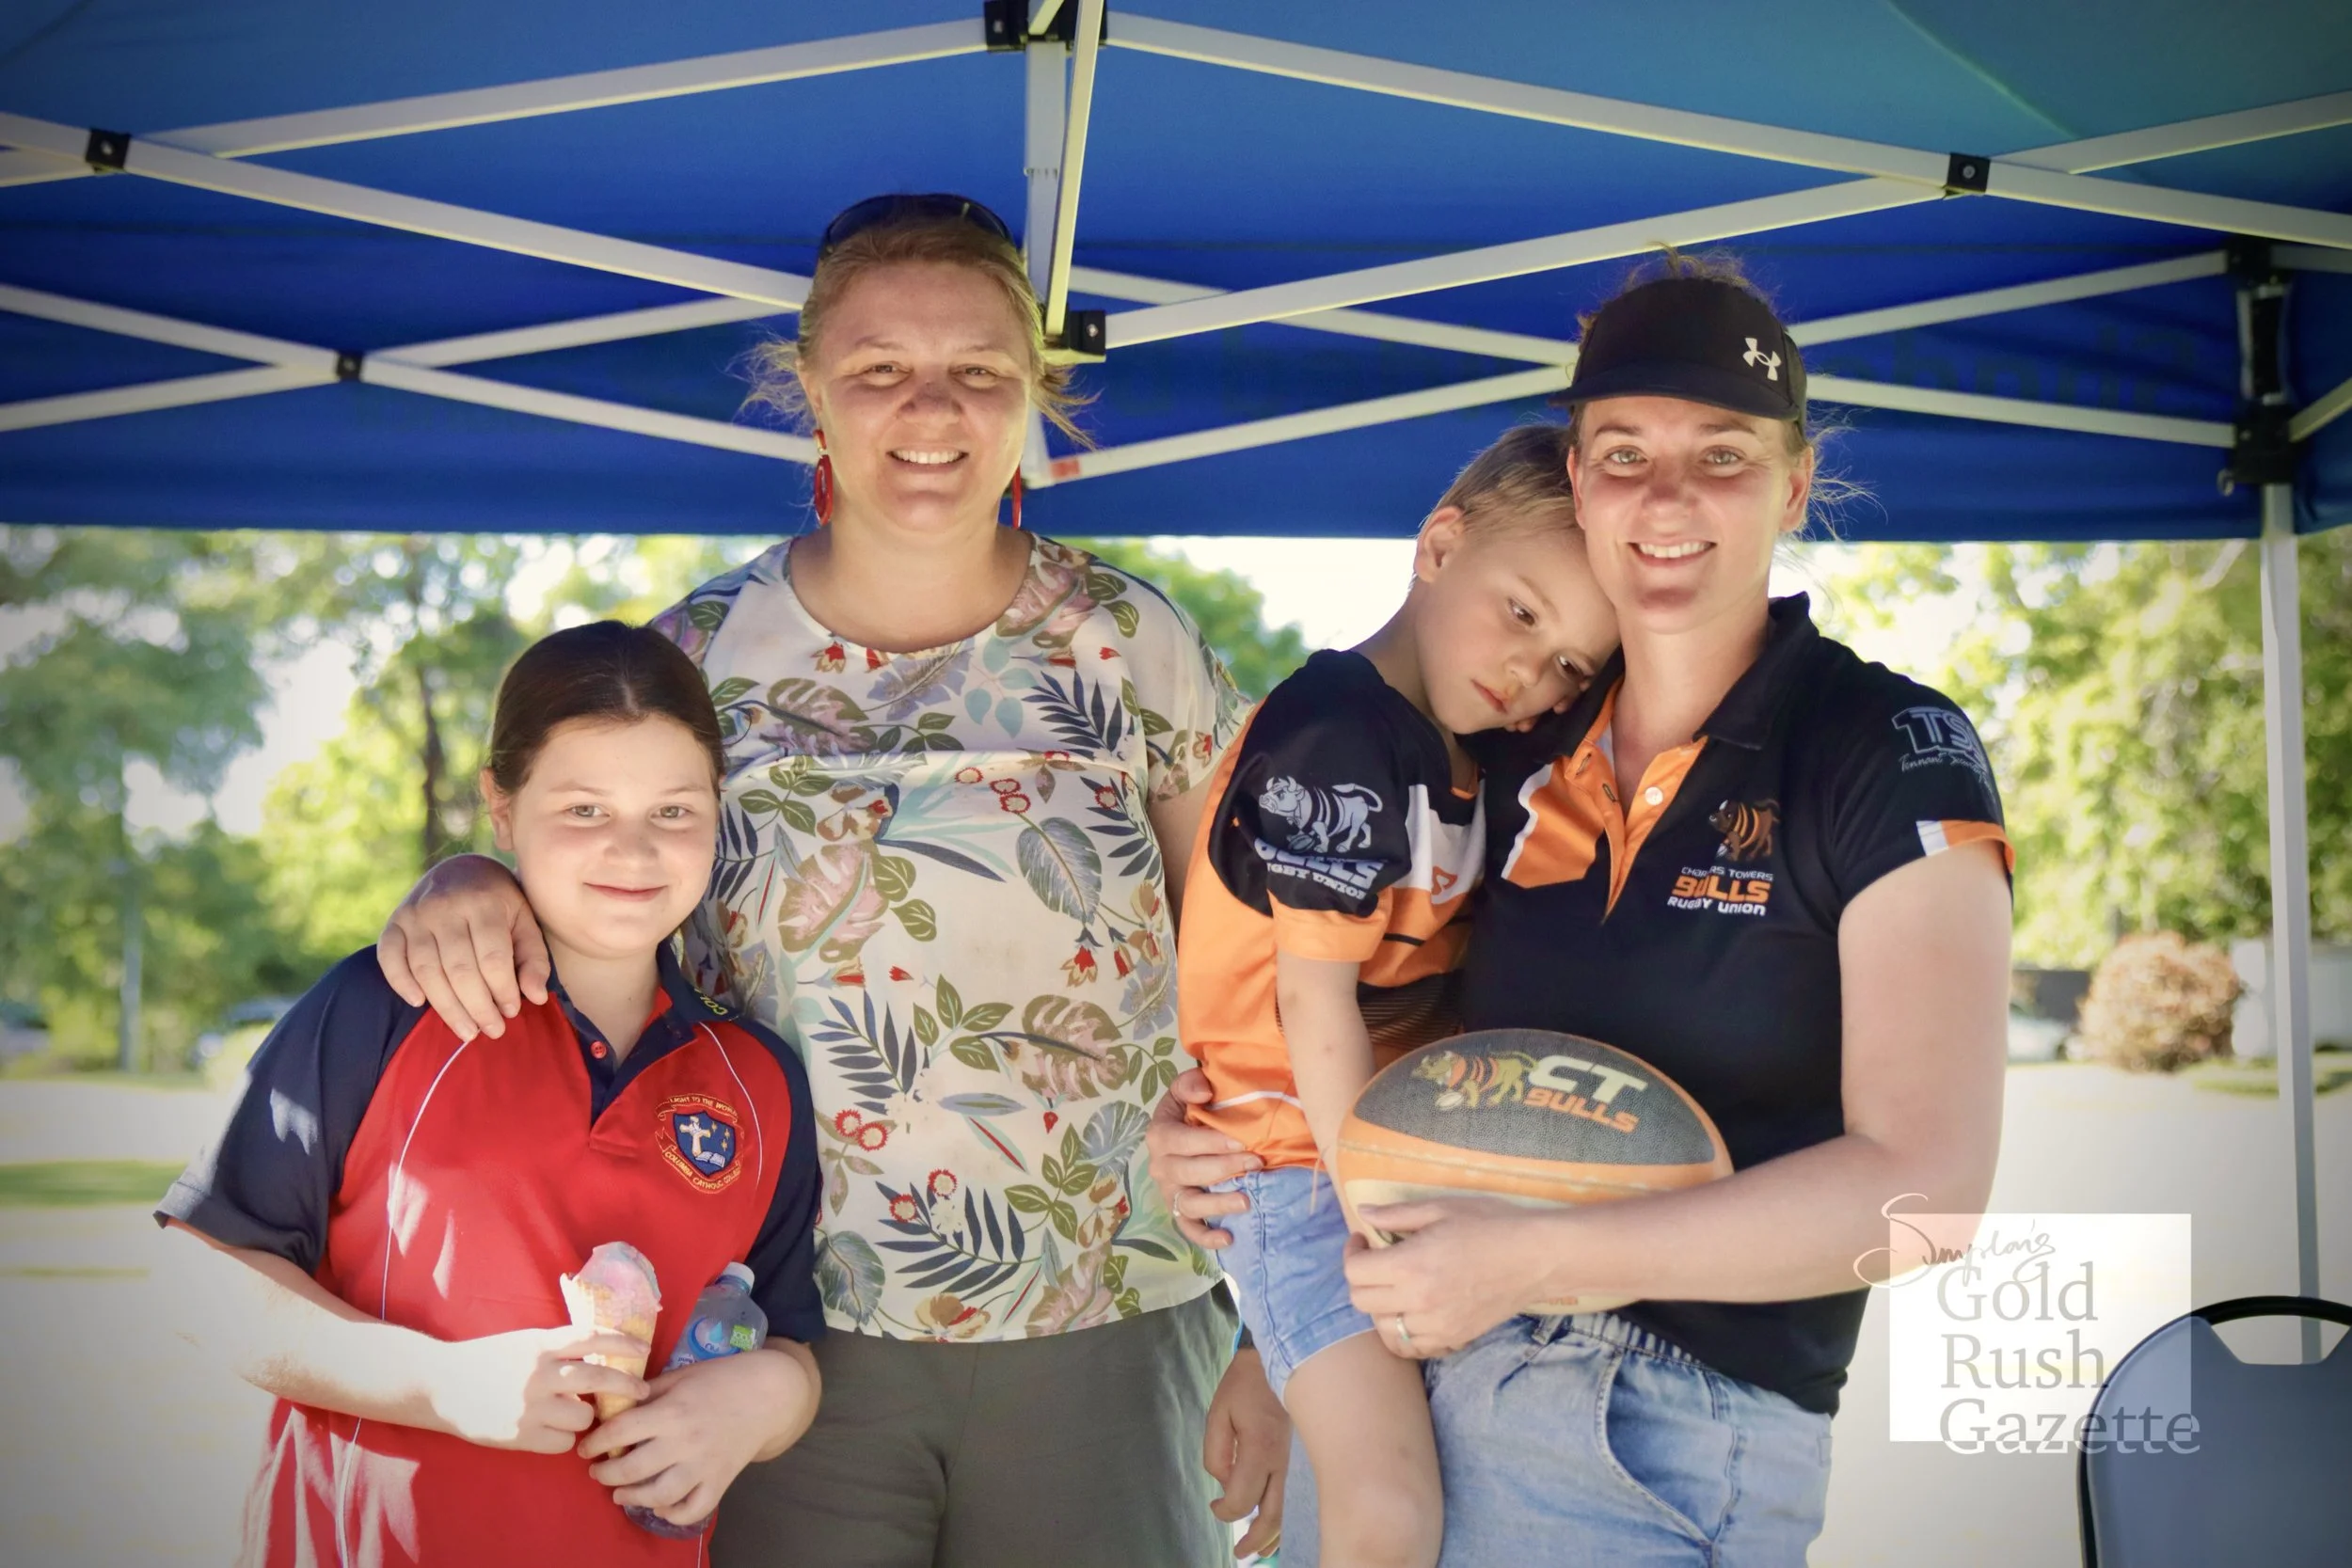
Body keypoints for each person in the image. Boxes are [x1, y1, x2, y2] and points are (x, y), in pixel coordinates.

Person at [373, 194, 1290, 1567]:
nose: (932, 409)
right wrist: (465, 870)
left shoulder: (1129, 643)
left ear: (1033, 393)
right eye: (879, 371)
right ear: (809, 390)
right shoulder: (697, 657)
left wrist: (1282, 1329)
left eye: (980, 370)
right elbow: (587, 888)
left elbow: (1268, 975)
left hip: (1114, 1317)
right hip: (775, 1329)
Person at [1149, 255, 2013, 1566]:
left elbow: (1929, 1196)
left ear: (1793, 484)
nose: (1666, 496)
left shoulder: (1884, 746)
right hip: (1407, 1355)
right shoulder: (1500, 740)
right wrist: (1257, 1246)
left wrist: (1531, 1262)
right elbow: (1361, 1025)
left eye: (1720, 455)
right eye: (1623, 451)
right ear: (1579, 481)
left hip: (1650, 1422)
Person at [156, 621, 827, 1566]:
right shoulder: (386, 1005)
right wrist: (437, 1382)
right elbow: (199, 1276)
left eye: (673, 811)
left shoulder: (758, 1078)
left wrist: (767, 1400)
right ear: (500, 807)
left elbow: (790, 1337)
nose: (633, 851)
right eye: (585, 809)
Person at [1178, 424, 1615, 1567]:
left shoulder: (1468, 752)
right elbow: (1311, 1008)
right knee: (1387, 1511)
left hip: (1379, 1157)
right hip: (1300, 1162)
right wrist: (1381, 1210)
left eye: (1570, 663)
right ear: (1438, 543)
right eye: (1521, 612)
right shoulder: (1338, 735)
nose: (1532, 673)